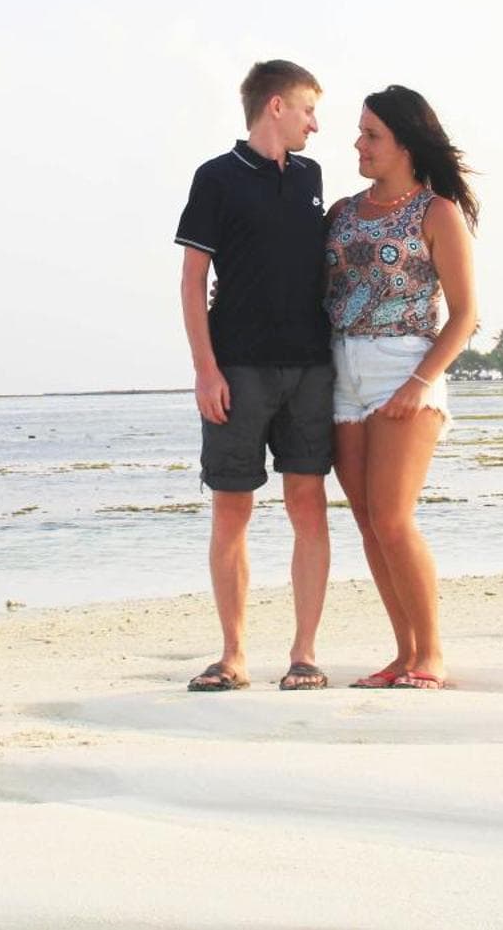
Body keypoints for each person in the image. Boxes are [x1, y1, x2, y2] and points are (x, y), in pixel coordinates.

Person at [174, 60, 336, 692]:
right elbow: (193, 281)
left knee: (308, 506)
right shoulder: (215, 177)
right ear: (276, 106)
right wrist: (205, 370)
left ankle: (305, 654)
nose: (314, 125)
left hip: (311, 368)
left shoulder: (311, 177)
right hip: (237, 370)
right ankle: (233, 655)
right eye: (308, 110)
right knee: (231, 510)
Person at [324, 85, 478, 690]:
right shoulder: (342, 212)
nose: (358, 145)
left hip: (404, 367)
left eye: (372, 135)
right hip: (342, 371)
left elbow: (465, 315)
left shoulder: (437, 213)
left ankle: (431, 653)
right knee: (367, 521)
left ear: (405, 144)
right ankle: (403, 652)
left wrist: (420, 382)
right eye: (360, 133)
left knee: (392, 518)